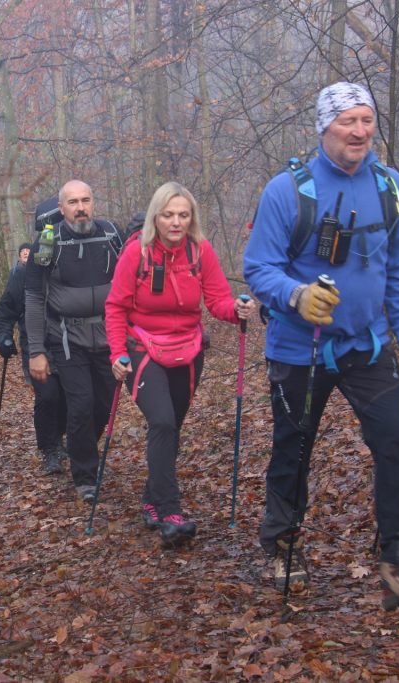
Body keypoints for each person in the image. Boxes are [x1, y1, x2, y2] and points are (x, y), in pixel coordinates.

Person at [243, 81, 399, 611]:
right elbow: (258, 267)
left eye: (366, 120)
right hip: (299, 349)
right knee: (294, 448)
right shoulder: (287, 191)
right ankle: (282, 545)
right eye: (347, 122)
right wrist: (296, 294)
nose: (359, 131)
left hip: (369, 345)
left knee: (395, 443)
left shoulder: (392, 187)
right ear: (323, 128)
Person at [106, 182, 256, 546]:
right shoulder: (135, 254)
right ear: (155, 217)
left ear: (192, 219)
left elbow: (218, 300)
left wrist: (237, 312)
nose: (175, 222)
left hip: (188, 350)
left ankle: (151, 500)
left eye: (183, 215)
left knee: (171, 428)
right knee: (162, 421)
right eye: (168, 215)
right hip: (142, 347)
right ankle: (170, 513)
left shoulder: (201, 252)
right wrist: (116, 353)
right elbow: (115, 307)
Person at [24, 180, 124, 502]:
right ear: (61, 207)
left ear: (94, 202)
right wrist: (37, 350)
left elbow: (131, 283)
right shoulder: (47, 243)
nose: (81, 208)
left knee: (104, 406)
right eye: (73, 202)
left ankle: (80, 447)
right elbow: (34, 298)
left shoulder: (112, 235)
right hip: (67, 338)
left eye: (86, 200)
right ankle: (85, 477)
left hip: (109, 337)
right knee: (80, 407)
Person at [0, 235, 68, 475]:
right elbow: (4, 313)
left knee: (67, 398)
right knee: (47, 396)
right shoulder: (21, 276)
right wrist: (4, 338)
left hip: (69, 344)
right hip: (35, 346)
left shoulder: (70, 271)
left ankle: (59, 439)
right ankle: (49, 450)